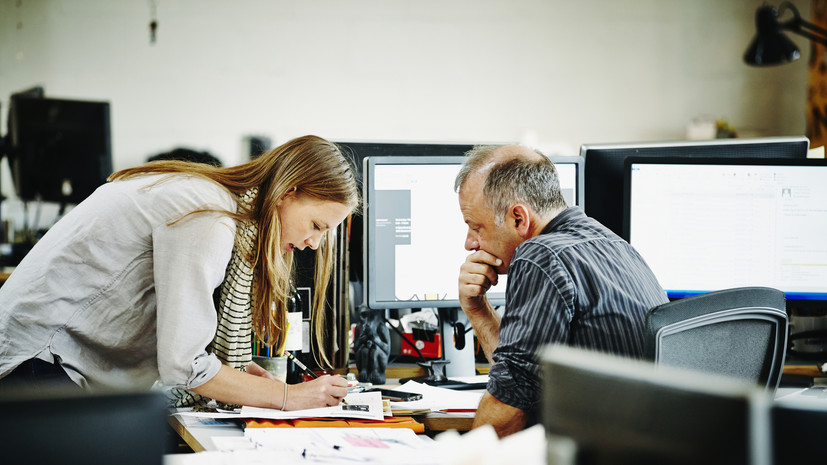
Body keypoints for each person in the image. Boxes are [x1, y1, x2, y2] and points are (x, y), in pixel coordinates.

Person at [0, 135, 358, 412]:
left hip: (47, 365)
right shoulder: (208, 217)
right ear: (287, 192)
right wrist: (288, 396)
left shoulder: (216, 202)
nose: (315, 243)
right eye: (316, 225)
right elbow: (183, 366)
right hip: (36, 366)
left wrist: (238, 371)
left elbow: (182, 332)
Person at [455, 144, 669, 437]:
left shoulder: (540, 255)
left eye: (475, 227)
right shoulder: (615, 245)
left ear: (519, 218)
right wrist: (478, 311)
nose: (470, 243)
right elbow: (518, 378)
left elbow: (510, 407)